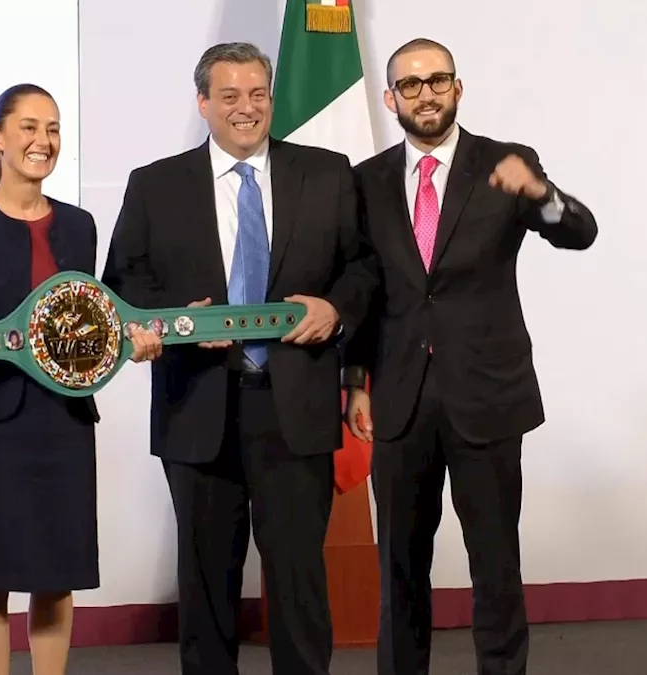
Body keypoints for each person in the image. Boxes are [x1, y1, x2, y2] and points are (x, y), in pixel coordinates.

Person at [101, 42, 376, 675]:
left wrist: (336, 309)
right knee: (205, 590)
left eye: (257, 94)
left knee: (301, 584)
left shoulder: (329, 172)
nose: (245, 109)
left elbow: (364, 268)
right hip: (197, 408)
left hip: (297, 409)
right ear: (203, 103)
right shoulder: (155, 184)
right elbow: (123, 285)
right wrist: (174, 321)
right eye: (229, 96)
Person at [342, 38, 598, 675]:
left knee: (495, 565)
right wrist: (356, 381)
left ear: (458, 88)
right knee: (399, 567)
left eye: (437, 81)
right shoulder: (365, 181)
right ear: (390, 97)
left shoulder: (508, 163)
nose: (424, 94)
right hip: (398, 399)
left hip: (486, 394)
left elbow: (580, 232)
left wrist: (541, 194)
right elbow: (364, 288)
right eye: (411, 84)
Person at [0, 83, 162, 675]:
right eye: (29, 127)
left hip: (65, 419)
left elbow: (93, 325)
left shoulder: (80, 225)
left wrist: (131, 345)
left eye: (52, 128)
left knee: (58, 570)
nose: (43, 141)